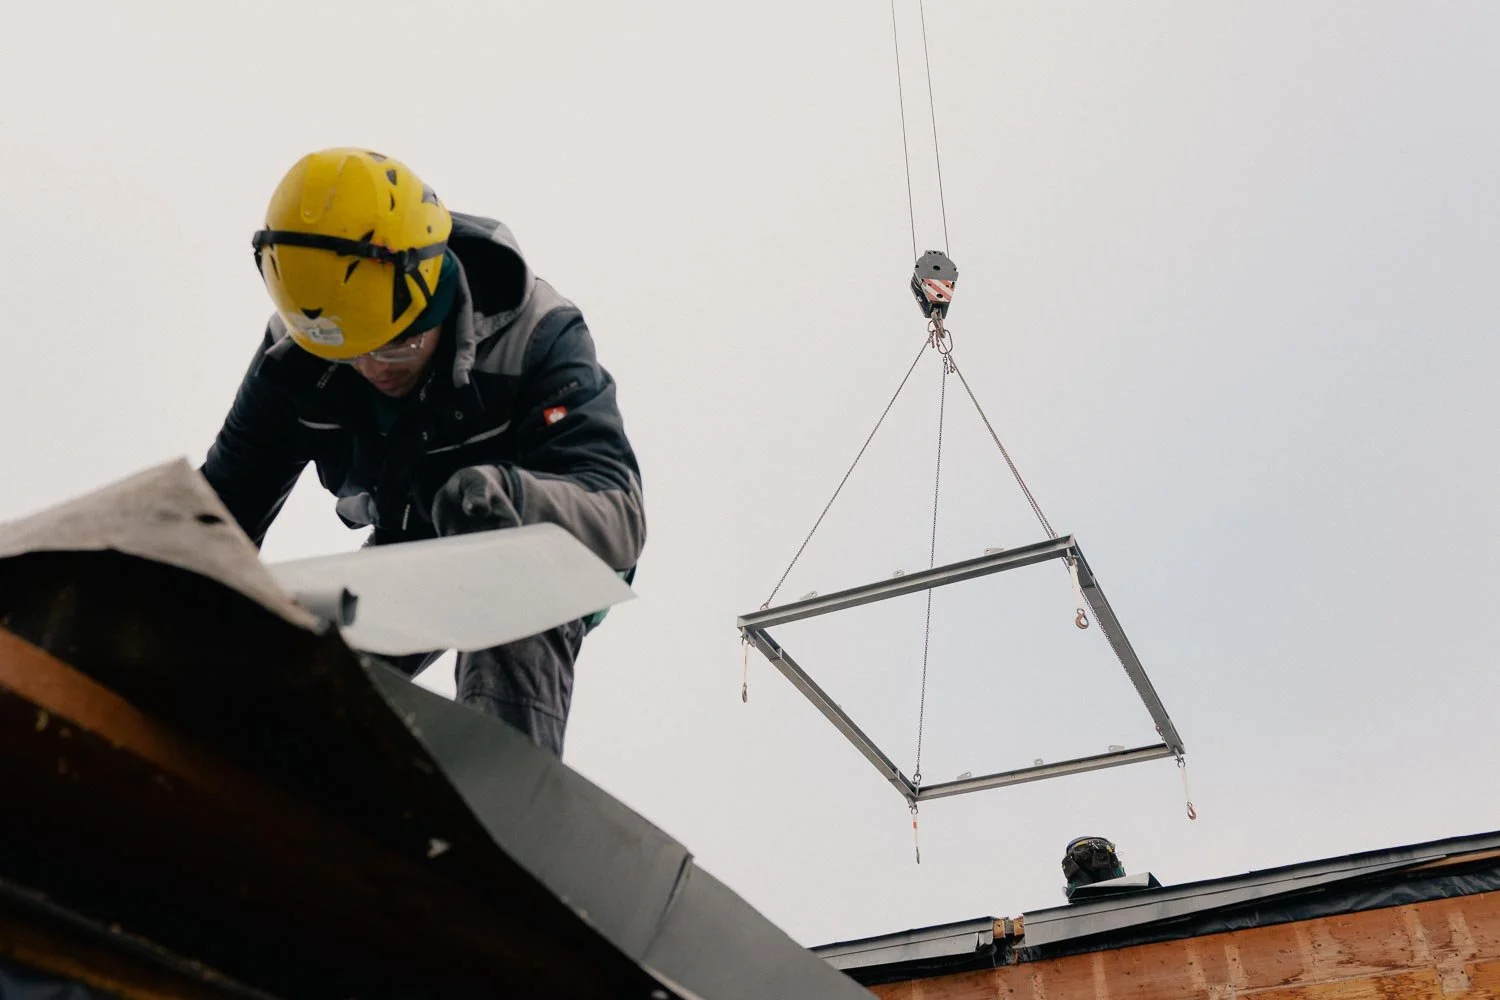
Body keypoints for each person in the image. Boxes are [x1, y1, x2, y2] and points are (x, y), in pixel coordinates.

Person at [201, 147, 645, 757]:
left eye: (394, 350)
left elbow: (620, 517)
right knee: (296, 667)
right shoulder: (300, 356)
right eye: (350, 356)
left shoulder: (538, 333)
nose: (372, 370)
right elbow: (219, 512)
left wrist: (504, 496)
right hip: (407, 550)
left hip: (547, 548)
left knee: (501, 559)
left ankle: (503, 793)